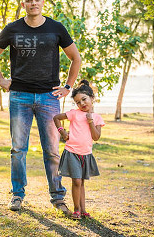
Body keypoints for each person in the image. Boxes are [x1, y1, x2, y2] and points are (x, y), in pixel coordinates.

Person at [0, 0, 81, 214]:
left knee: (52, 150)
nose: (33, 4)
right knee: (18, 149)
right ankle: (17, 195)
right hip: (20, 96)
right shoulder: (13, 29)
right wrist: (1, 79)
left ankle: (58, 198)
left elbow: (75, 58)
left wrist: (67, 87)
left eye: (37, 0)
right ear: (23, 5)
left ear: (42, 2)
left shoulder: (56, 28)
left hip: (49, 97)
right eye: (28, 0)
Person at [52, 79, 104, 219]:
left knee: (81, 183)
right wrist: (62, 132)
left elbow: (96, 137)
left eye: (84, 99)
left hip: (86, 154)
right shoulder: (74, 113)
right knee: (76, 181)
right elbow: (56, 118)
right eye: (78, 102)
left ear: (92, 98)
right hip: (72, 152)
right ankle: (76, 210)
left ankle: (83, 209)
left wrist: (91, 121)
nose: (82, 104)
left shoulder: (97, 118)